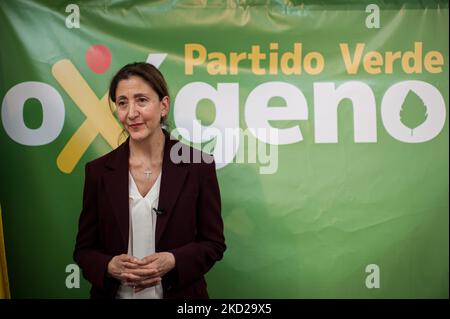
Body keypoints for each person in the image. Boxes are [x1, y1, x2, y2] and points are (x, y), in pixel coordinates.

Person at [73, 62, 226, 299]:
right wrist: (108, 266)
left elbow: (213, 244)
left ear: (163, 106)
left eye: (141, 100)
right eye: (122, 103)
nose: (131, 113)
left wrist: (174, 260)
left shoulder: (199, 167)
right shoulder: (98, 172)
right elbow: (84, 251)